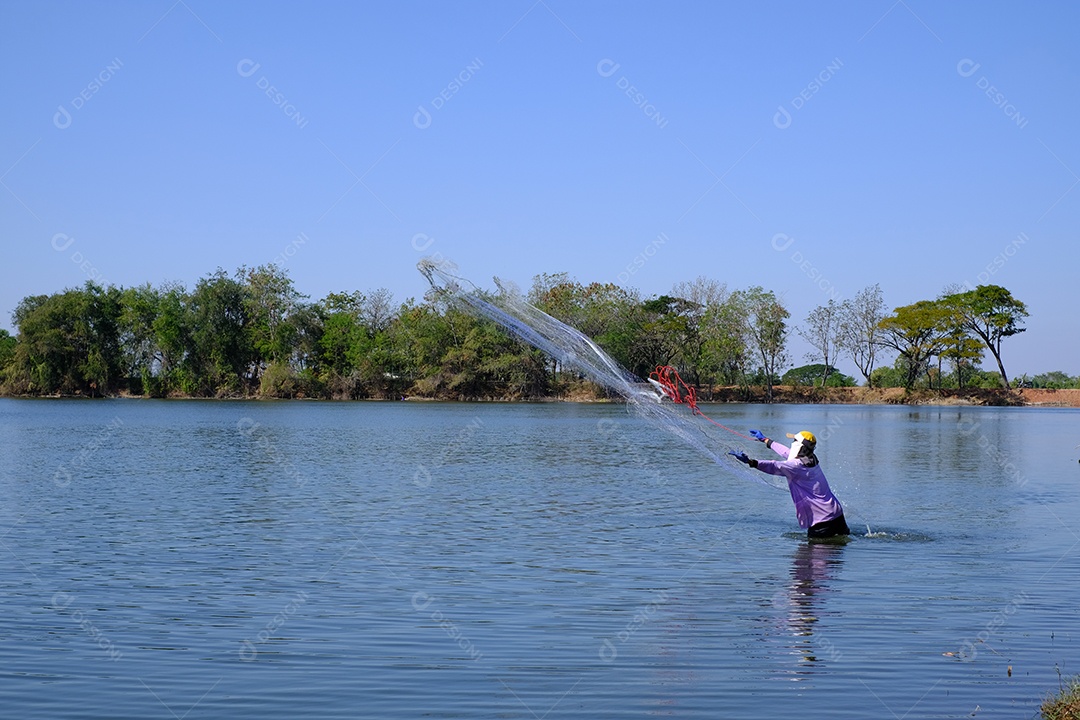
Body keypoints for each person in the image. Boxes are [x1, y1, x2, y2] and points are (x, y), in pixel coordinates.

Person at [729, 429, 851, 540]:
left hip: (822, 521)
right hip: (837, 515)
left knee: (810, 559)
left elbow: (774, 465)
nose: (792, 443)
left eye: (794, 441)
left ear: (799, 446)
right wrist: (765, 440)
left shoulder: (795, 467)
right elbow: (786, 452)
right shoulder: (811, 458)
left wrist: (751, 462)